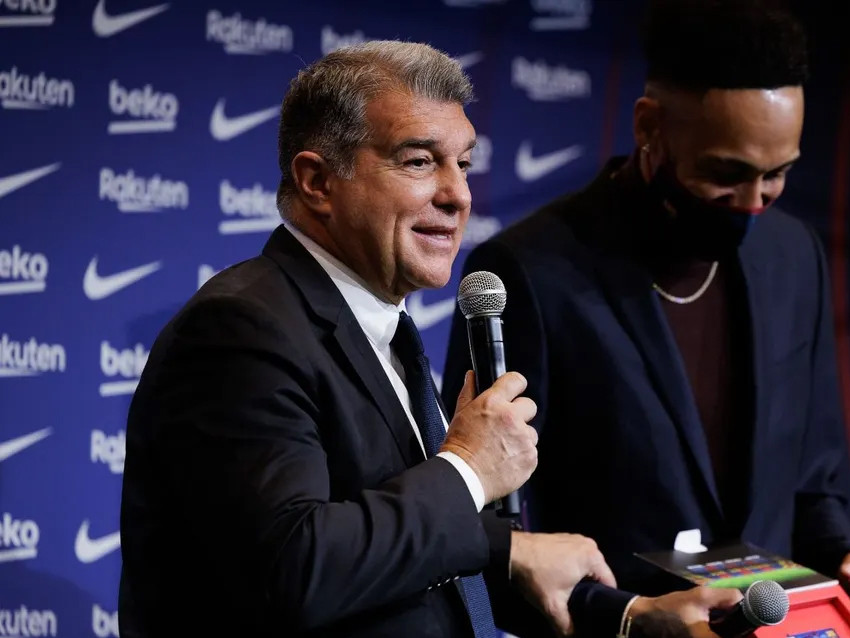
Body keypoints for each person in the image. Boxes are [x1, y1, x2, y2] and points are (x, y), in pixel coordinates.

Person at [119, 41, 740, 638]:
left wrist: (631, 618)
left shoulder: (379, 326)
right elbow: (293, 569)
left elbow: (413, 554)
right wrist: (468, 468)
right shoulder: (241, 330)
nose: (458, 195)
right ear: (317, 181)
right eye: (419, 161)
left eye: (463, 163)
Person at [442, 2, 850, 638]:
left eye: (777, 175)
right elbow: (490, 534)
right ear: (649, 125)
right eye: (727, 173)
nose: (753, 203)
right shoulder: (531, 271)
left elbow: (810, 483)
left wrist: (845, 561)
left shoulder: (794, 257)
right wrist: (631, 620)